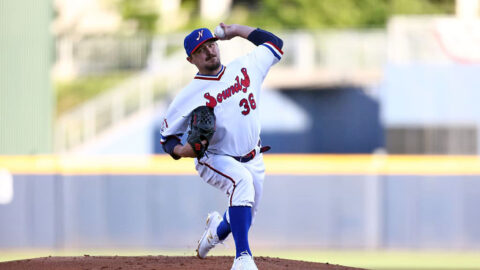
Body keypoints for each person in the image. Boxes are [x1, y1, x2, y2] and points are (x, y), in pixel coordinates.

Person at [160, 23, 283, 270]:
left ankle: (214, 233)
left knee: (243, 215)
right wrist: (183, 151)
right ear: (191, 59)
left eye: (211, 44)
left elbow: (275, 44)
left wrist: (237, 30)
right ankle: (243, 259)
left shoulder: (246, 66)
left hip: (254, 156)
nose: (209, 51)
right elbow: (167, 138)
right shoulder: (188, 96)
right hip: (215, 157)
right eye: (200, 50)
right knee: (242, 184)